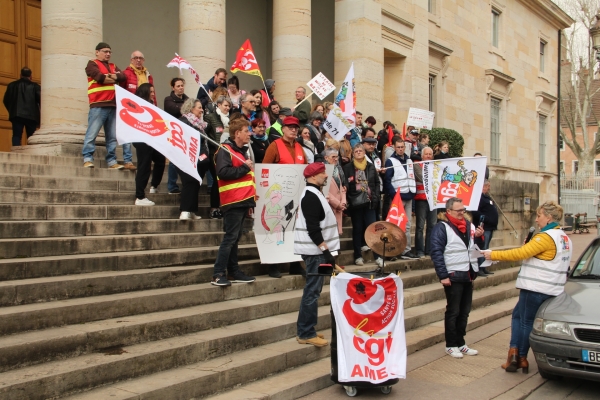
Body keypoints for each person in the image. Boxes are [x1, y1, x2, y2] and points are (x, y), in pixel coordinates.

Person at [482, 201, 572, 374]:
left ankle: (520, 357)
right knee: (518, 316)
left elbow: (520, 253)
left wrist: (492, 254)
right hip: (551, 288)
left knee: (525, 322)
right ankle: (514, 353)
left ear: (549, 217)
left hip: (536, 288)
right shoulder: (563, 237)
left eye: (539, 216)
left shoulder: (545, 237)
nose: (536, 220)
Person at [431, 197, 484, 359]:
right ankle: (451, 344)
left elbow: (474, 249)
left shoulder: (470, 226)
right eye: (458, 210)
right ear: (448, 211)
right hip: (453, 274)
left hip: (468, 273)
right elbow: (436, 252)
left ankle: (461, 343)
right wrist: (443, 275)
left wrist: (479, 238)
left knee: (464, 311)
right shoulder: (442, 227)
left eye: (463, 210)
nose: (462, 213)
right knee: (453, 311)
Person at [294, 162, 339, 348]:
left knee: (315, 291)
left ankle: (308, 329)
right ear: (313, 177)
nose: (326, 176)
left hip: (319, 254)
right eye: (322, 173)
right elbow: (313, 230)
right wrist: (326, 252)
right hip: (315, 254)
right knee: (312, 292)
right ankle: (305, 332)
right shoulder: (310, 197)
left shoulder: (315, 194)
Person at [211, 117, 257, 286]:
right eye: (246, 131)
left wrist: (250, 202)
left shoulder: (240, 151)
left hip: (243, 201)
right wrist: (244, 167)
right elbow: (223, 172)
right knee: (230, 238)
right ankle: (218, 273)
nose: (249, 134)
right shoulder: (225, 150)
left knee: (235, 238)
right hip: (233, 201)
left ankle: (233, 271)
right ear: (237, 133)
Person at [262, 116, 308, 278]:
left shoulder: (300, 148)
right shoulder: (274, 146)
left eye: (296, 127)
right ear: (283, 129)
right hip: (277, 197)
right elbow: (265, 170)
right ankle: (273, 265)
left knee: (294, 232)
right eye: (290, 127)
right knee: (276, 230)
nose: (294, 129)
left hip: (295, 197)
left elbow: (306, 171)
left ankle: (295, 264)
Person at [82, 42, 127, 170]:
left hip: (113, 104)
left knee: (112, 136)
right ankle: (87, 158)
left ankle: (112, 161)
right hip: (98, 103)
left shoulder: (113, 65)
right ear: (97, 52)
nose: (108, 54)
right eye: (105, 51)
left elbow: (123, 76)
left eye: (109, 52)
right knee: (92, 133)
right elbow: (99, 77)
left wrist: (112, 77)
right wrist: (114, 78)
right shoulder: (92, 64)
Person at [343, 143, 382, 267]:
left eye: (360, 151)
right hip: (356, 203)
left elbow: (376, 183)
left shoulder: (370, 166)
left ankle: (377, 256)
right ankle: (358, 256)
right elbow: (346, 184)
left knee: (372, 230)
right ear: (353, 154)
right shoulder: (348, 167)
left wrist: (375, 196)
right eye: (356, 151)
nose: (359, 152)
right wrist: (350, 198)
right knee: (358, 229)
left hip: (369, 202)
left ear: (364, 153)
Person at [383, 137, 418, 259]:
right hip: (398, 197)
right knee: (396, 225)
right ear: (394, 147)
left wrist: (413, 194)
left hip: (409, 195)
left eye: (402, 147)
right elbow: (387, 181)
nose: (400, 149)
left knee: (407, 225)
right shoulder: (390, 161)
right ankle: (393, 251)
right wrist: (394, 196)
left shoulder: (409, 161)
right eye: (398, 147)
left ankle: (406, 250)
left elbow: (411, 177)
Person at [177, 98, 209, 220]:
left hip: (197, 158)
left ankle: (191, 210)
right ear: (191, 108)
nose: (202, 110)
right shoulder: (184, 121)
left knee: (195, 183)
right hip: (186, 157)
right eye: (199, 107)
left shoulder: (198, 123)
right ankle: (185, 210)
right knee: (189, 182)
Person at [133, 83, 165, 206]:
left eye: (153, 91)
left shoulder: (151, 104)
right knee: (144, 166)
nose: (153, 94)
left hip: (151, 139)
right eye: (151, 92)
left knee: (160, 159)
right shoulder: (137, 105)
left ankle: (154, 185)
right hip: (141, 140)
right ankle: (139, 196)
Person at [204, 95, 232, 219]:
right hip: (213, 153)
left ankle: (223, 207)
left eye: (229, 106)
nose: (227, 108)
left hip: (226, 154)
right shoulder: (210, 117)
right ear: (219, 105)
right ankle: (214, 207)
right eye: (225, 105)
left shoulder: (229, 120)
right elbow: (204, 133)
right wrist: (212, 144)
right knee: (216, 180)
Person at [3, 67, 40, 147]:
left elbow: (6, 100)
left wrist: (12, 110)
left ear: (20, 75)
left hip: (16, 114)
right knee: (31, 137)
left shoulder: (11, 85)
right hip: (31, 116)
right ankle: (32, 152)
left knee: (16, 135)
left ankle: (16, 152)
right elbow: (41, 100)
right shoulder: (35, 86)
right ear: (31, 76)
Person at [164, 77, 189, 194]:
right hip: (173, 132)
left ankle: (185, 184)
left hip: (186, 132)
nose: (181, 88)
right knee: (174, 160)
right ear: (173, 87)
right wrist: (185, 109)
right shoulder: (168, 99)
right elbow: (173, 110)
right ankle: (172, 186)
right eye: (178, 86)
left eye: (182, 85)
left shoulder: (188, 99)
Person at [471, 180, 498, 276]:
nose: (489, 188)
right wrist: (485, 218)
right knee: (481, 247)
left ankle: (483, 267)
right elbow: (475, 211)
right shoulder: (479, 198)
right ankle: (478, 268)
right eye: (487, 186)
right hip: (484, 226)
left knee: (486, 248)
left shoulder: (486, 197)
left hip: (490, 227)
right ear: (483, 186)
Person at [413, 147, 437, 257]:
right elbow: (422, 178)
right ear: (422, 156)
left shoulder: (436, 166)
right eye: (426, 154)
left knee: (432, 226)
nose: (428, 156)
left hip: (433, 200)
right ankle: (420, 250)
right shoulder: (417, 164)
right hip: (421, 200)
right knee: (420, 227)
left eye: (430, 154)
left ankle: (429, 250)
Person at [324, 148, 346, 234]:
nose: (336, 159)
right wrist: (337, 204)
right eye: (333, 157)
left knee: (336, 235)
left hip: (338, 207)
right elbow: (324, 190)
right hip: (329, 206)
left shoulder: (336, 170)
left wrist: (343, 202)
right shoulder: (323, 170)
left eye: (337, 157)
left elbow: (341, 188)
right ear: (326, 158)